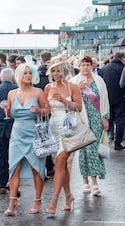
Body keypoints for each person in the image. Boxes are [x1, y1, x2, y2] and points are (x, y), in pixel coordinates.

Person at [4, 63, 49, 216]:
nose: (28, 76)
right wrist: (5, 108)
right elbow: (10, 114)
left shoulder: (38, 92)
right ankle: (12, 200)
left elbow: (47, 110)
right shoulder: (11, 94)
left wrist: (38, 110)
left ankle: (37, 200)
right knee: (13, 168)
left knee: (36, 168)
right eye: (25, 73)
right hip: (17, 133)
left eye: (30, 73)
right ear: (19, 76)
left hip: (34, 133)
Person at [44, 59, 82, 214]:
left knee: (60, 164)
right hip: (53, 129)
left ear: (65, 71)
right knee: (61, 165)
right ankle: (68, 196)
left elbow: (78, 107)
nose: (55, 74)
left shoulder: (72, 87)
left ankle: (53, 202)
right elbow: (46, 110)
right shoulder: (48, 87)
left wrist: (62, 101)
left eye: (58, 71)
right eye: (53, 71)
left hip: (68, 128)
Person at [70, 56, 109, 196]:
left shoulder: (99, 81)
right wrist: (76, 89)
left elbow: (105, 99)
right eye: (83, 65)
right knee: (83, 151)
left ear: (92, 66)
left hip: (96, 119)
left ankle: (94, 183)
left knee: (93, 149)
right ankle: (85, 181)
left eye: (88, 65)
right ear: (79, 66)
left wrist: (105, 117)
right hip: (81, 120)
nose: (86, 67)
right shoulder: (73, 82)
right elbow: (69, 101)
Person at [100, 52, 125, 150]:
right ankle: (117, 142)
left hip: (106, 98)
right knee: (120, 121)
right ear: (122, 58)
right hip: (119, 98)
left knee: (108, 120)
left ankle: (104, 141)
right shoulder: (122, 69)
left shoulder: (104, 68)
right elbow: (124, 83)